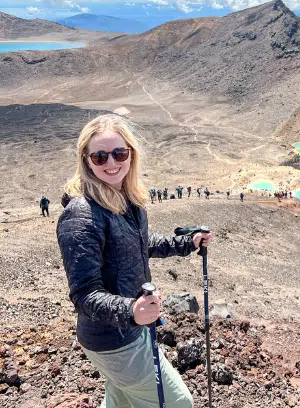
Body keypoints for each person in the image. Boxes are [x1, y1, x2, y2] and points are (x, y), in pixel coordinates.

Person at [57, 114, 213, 408]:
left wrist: (186, 243)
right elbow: (84, 294)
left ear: (131, 154)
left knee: (122, 402)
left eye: (119, 153)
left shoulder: (123, 198)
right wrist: (132, 310)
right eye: (100, 157)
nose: (111, 162)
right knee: (179, 404)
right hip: (114, 340)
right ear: (87, 160)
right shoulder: (81, 214)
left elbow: (139, 243)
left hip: (127, 330)